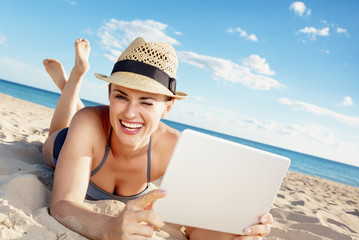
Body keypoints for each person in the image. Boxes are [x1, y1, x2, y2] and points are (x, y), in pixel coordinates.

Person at [42, 37, 273, 240]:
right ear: (109, 94)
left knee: (118, 120)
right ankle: (73, 78)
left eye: (146, 101)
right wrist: (109, 228)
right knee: (62, 129)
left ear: (168, 107)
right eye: (121, 96)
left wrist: (236, 234)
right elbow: (62, 205)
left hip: (102, 130)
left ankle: (70, 88)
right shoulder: (88, 123)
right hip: (67, 145)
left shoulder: (175, 148)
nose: (131, 112)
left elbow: (195, 227)